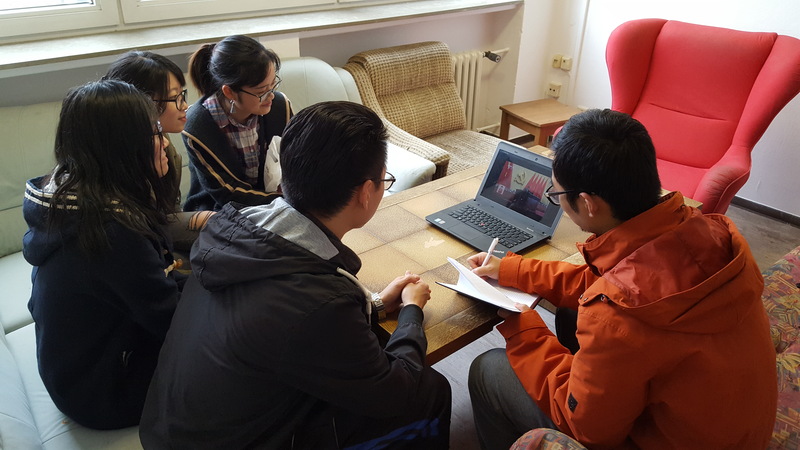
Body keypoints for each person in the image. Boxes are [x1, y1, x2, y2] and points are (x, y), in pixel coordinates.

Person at [139, 101, 451, 449]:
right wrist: (411, 313)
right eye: (383, 181)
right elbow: (392, 394)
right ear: (366, 193)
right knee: (431, 391)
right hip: (237, 441)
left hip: (170, 428)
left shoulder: (230, 230)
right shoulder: (320, 300)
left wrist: (374, 305)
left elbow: (286, 332)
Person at [467, 109, 777, 449]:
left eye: (556, 195)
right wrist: (512, 270)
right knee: (571, 311)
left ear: (588, 203)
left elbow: (589, 430)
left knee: (489, 368)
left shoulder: (615, 318)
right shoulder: (701, 230)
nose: (557, 202)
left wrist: (524, 327)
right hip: (734, 430)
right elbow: (609, 284)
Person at [22, 80, 185, 429]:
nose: (165, 143)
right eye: (156, 133)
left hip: (75, 376)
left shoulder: (68, 197)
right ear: (123, 147)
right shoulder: (113, 231)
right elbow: (171, 320)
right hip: (107, 391)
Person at [105, 50, 214, 251]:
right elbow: (140, 228)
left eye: (182, 94)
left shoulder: (163, 143)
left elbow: (169, 213)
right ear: (141, 103)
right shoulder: (119, 160)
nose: (185, 106)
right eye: (174, 97)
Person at [182, 34, 291, 212]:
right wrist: (288, 199)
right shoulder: (198, 126)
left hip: (276, 204)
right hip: (217, 210)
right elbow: (227, 194)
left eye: (273, 85)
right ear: (230, 92)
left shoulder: (279, 106)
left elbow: (297, 157)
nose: (271, 95)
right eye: (261, 91)